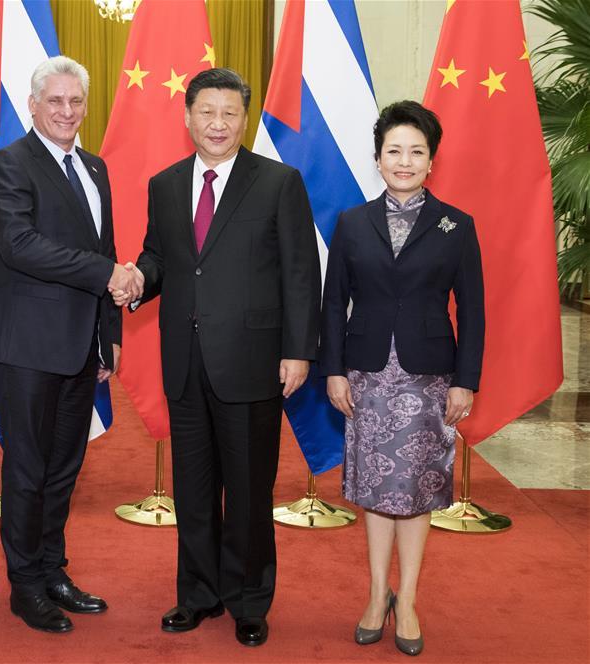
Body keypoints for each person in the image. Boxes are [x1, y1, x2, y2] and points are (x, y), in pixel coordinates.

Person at [114, 68, 321, 647]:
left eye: (230, 112)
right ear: (187, 117)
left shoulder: (279, 182)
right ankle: (198, 595)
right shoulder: (165, 183)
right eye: (207, 111)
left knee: (251, 490)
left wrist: (299, 351)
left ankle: (250, 599)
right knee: (195, 488)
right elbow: (161, 257)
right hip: (184, 358)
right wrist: (138, 280)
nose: (218, 123)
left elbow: (301, 274)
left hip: (254, 360)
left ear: (244, 118)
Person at [320, 100, 484, 657]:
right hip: (365, 375)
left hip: (428, 379)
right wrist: (334, 369)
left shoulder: (455, 225)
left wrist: (466, 379)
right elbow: (331, 303)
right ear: (378, 158)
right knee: (373, 490)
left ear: (432, 161)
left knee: (415, 492)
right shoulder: (351, 222)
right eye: (395, 151)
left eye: (417, 151)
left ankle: (407, 599)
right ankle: (374, 596)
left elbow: (475, 309)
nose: (405, 161)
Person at [0, 56, 135, 634]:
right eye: (55, 102)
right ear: (33, 105)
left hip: (82, 348)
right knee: (27, 469)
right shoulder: (8, 165)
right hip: (28, 347)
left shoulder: (94, 168)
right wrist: (106, 274)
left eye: (75, 102)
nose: (67, 112)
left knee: (65, 469)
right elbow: (19, 245)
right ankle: (24, 585)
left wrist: (110, 335)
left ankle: (52, 571)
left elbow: (108, 245)